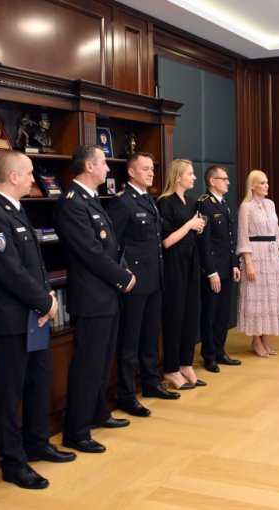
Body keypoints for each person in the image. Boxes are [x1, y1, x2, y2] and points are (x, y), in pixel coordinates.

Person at [0, 151, 75, 490]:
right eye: (29, 173)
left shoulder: (15, 210)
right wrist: (46, 300)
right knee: (9, 392)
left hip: (34, 317)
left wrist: (44, 300)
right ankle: (14, 462)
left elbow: (33, 266)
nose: (34, 179)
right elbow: (9, 271)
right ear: (13, 176)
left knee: (38, 381)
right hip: (9, 321)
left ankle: (37, 442)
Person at [53, 145, 135, 454]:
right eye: (103, 163)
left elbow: (110, 246)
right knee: (87, 365)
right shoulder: (71, 204)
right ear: (88, 166)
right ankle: (76, 431)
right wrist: (122, 276)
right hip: (91, 297)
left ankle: (98, 413)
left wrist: (121, 270)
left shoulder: (90, 199)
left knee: (101, 363)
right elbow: (90, 252)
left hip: (106, 295)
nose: (107, 169)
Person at [108, 152, 180, 418]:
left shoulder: (148, 199)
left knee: (150, 337)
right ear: (131, 172)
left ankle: (150, 383)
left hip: (154, 279)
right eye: (145, 169)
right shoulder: (122, 202)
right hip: (134, 283)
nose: (151, 173)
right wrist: (123, 273)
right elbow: (113, 244)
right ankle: (127, 395)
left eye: (152, 169)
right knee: (130, 342)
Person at [156, 159, 206, 389]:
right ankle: (171, 368)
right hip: (174, 265)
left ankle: (186, 364)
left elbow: (192, 232)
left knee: (190, 316)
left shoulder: (192, 202)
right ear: (178, 177)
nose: (194, 177)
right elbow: (166, 241)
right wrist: (190, 225)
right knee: (175, 317)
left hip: (191, 263)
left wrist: (196, 227)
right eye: (190, 173)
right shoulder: (165, 203)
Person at [197, 165, 242, 373]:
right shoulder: (204, 204)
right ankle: (209, 355)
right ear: (212, 181)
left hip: (226, 267)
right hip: (213, 270)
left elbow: (229, 239)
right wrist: (211, 271)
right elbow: (204, 242)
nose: (228, 182)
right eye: (223, 179)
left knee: (223, 312)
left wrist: (234, 264)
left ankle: (219, 350)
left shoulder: (224, 203)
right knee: (210, 313)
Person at [236, 170, 279, 357]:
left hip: (271, 254)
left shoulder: (270, 204)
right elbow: (243, 237)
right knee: (255, 296)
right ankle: (256, 338)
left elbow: (276, 232)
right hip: (255, 255)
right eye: (262, 183)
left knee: (270, 297)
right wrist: (248, 262)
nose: (266, 186)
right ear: (252, 186)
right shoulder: (246, 207)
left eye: (267, 182)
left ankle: (265, 337)